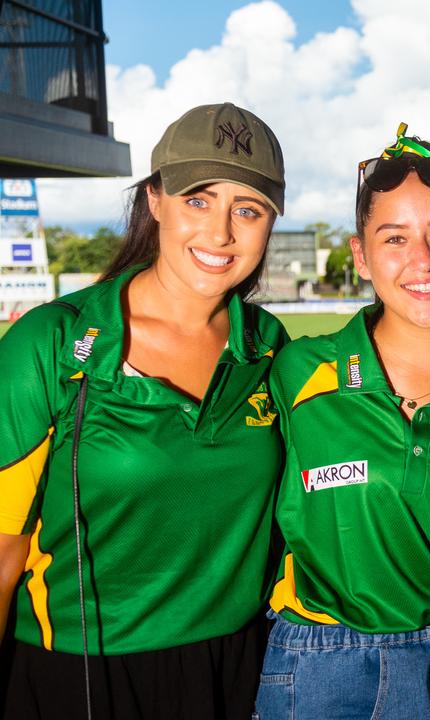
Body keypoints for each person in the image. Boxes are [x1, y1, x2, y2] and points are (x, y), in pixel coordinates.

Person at [0, 102, 287, 717]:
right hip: (77, 675)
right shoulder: (50, 343)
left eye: (248, 209)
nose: (221, 234)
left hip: (241, 670)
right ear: (154, 200)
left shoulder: (270, 346)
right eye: (198, 200)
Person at [254, 125, 430, 720]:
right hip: (325, 669)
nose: (421, 261)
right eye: (394, 238)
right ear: (361, 256)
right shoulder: (297, 371)